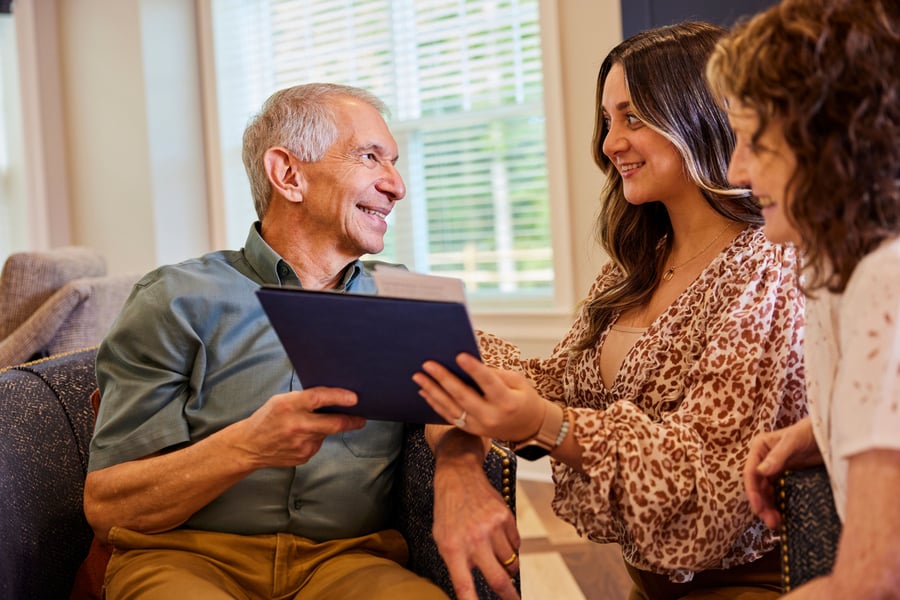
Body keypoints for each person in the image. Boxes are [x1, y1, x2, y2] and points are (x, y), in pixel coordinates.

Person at [414, 22, 807, 600]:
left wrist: (543, 425)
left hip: (751, 583)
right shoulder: (636, 268)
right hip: (645, 584)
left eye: (633, 118)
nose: (609, 143)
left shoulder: (766, 268)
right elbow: (561, 383)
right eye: (607, 120)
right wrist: (445, 344)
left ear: (698, 118)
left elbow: (711, 480)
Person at [83, 83, 521, 600]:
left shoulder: (404, 296)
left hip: (349, 563)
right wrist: (246, 447)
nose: (398, 185)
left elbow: (450, 406)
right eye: (369, 157)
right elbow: (109, 505)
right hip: (186, 559)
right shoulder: (175, 298)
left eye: (394, 162)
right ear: (288, 175)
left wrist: (459, 468)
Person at [705, 0, 900, 597]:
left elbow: (874, 583)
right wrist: (820, 429)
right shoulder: (832, 258)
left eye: (753, 143)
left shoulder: (885, 279)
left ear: (827, 143)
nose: (736, 171)